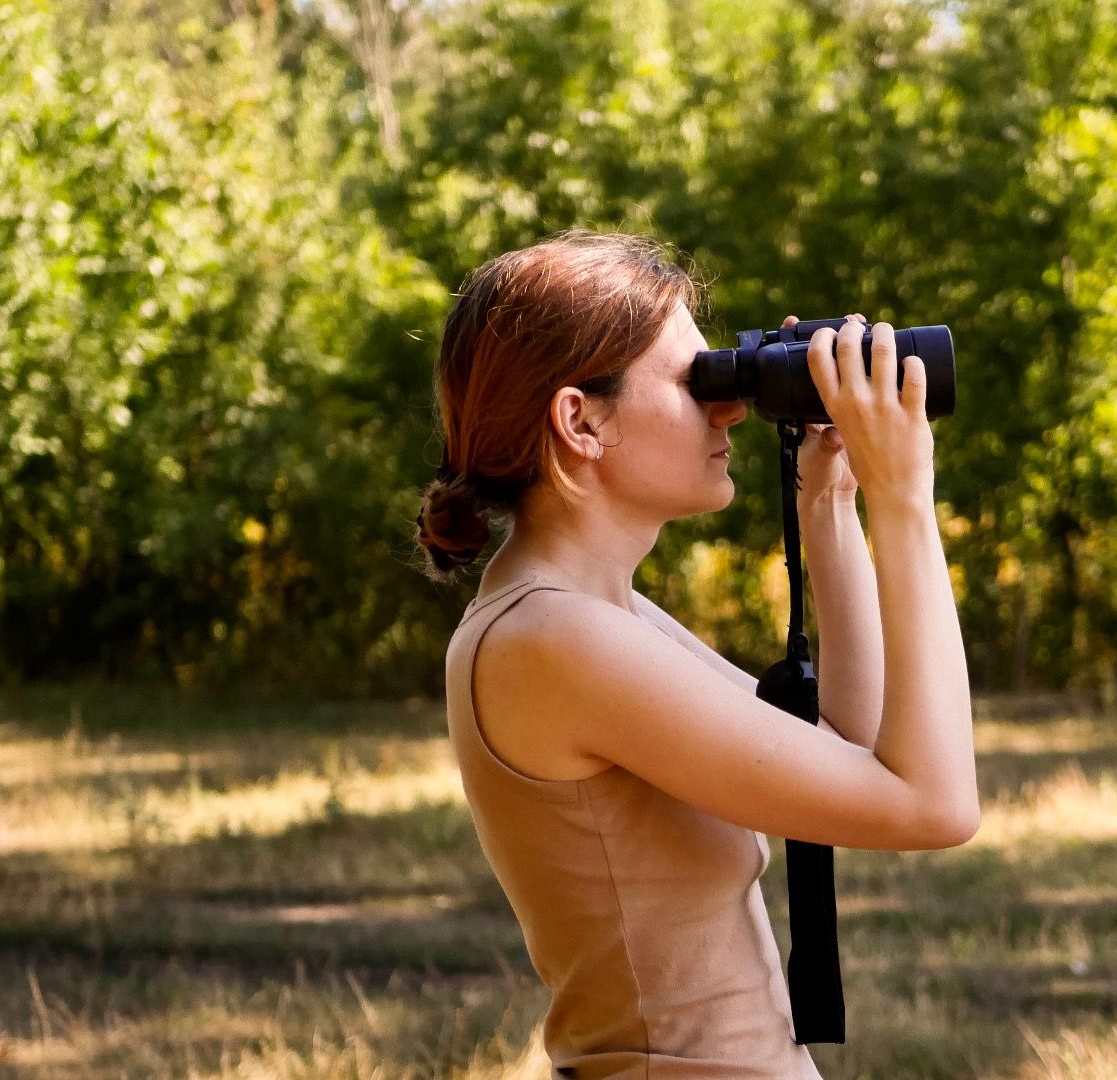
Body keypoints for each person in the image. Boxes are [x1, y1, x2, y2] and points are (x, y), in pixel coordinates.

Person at [413, 229, 977, 1077]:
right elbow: (935, 807)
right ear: (580, 421)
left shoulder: (594, 614)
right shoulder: (552, 639)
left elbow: (850, 745)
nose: (734, 407)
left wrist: (833, 501)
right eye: (694, 381)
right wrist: (908, 503)